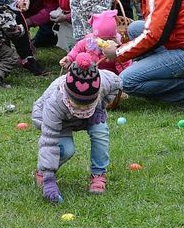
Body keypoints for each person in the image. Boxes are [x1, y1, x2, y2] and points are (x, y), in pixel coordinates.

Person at [33, 53, 122, 203]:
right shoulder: (54, 102)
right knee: (66, 150)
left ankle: (98, 174)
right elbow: (49, 142)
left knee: (100, 131)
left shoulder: (105, 81)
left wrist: (100, 106)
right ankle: (43, 172)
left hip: (90, 116)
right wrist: (49, 179)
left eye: (87, 104)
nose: (82, 107)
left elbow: (118, 84)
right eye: (78, 104)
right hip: (61, 121)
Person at [62, 10, 131, 75]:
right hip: (90, 73)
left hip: (110, 75)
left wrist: (117, 57)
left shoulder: (118, 47)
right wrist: (69, 58)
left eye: (110, 39)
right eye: (101, 40)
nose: (105, 42)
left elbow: (125, 66)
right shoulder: (88, 42)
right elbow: (76, 50)